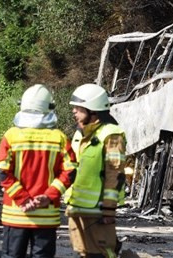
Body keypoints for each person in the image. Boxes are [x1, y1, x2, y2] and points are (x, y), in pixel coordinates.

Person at [0, 84, 76, 258]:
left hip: (16, 213)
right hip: (46, 216)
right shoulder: (59, 138)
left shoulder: (11, 136)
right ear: (49, 108)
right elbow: (70, 172)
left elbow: (3, 171)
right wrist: (48, 196)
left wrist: (22, 199)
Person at [65, 83, 127, 258]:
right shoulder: (80, 134)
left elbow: (114, 174)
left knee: (103, 253)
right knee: (83, 253)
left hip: (98, 210)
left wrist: (109, 209)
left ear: (93, 110)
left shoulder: (111, 135)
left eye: (78, 108)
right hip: (77, 206)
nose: (74, 111)